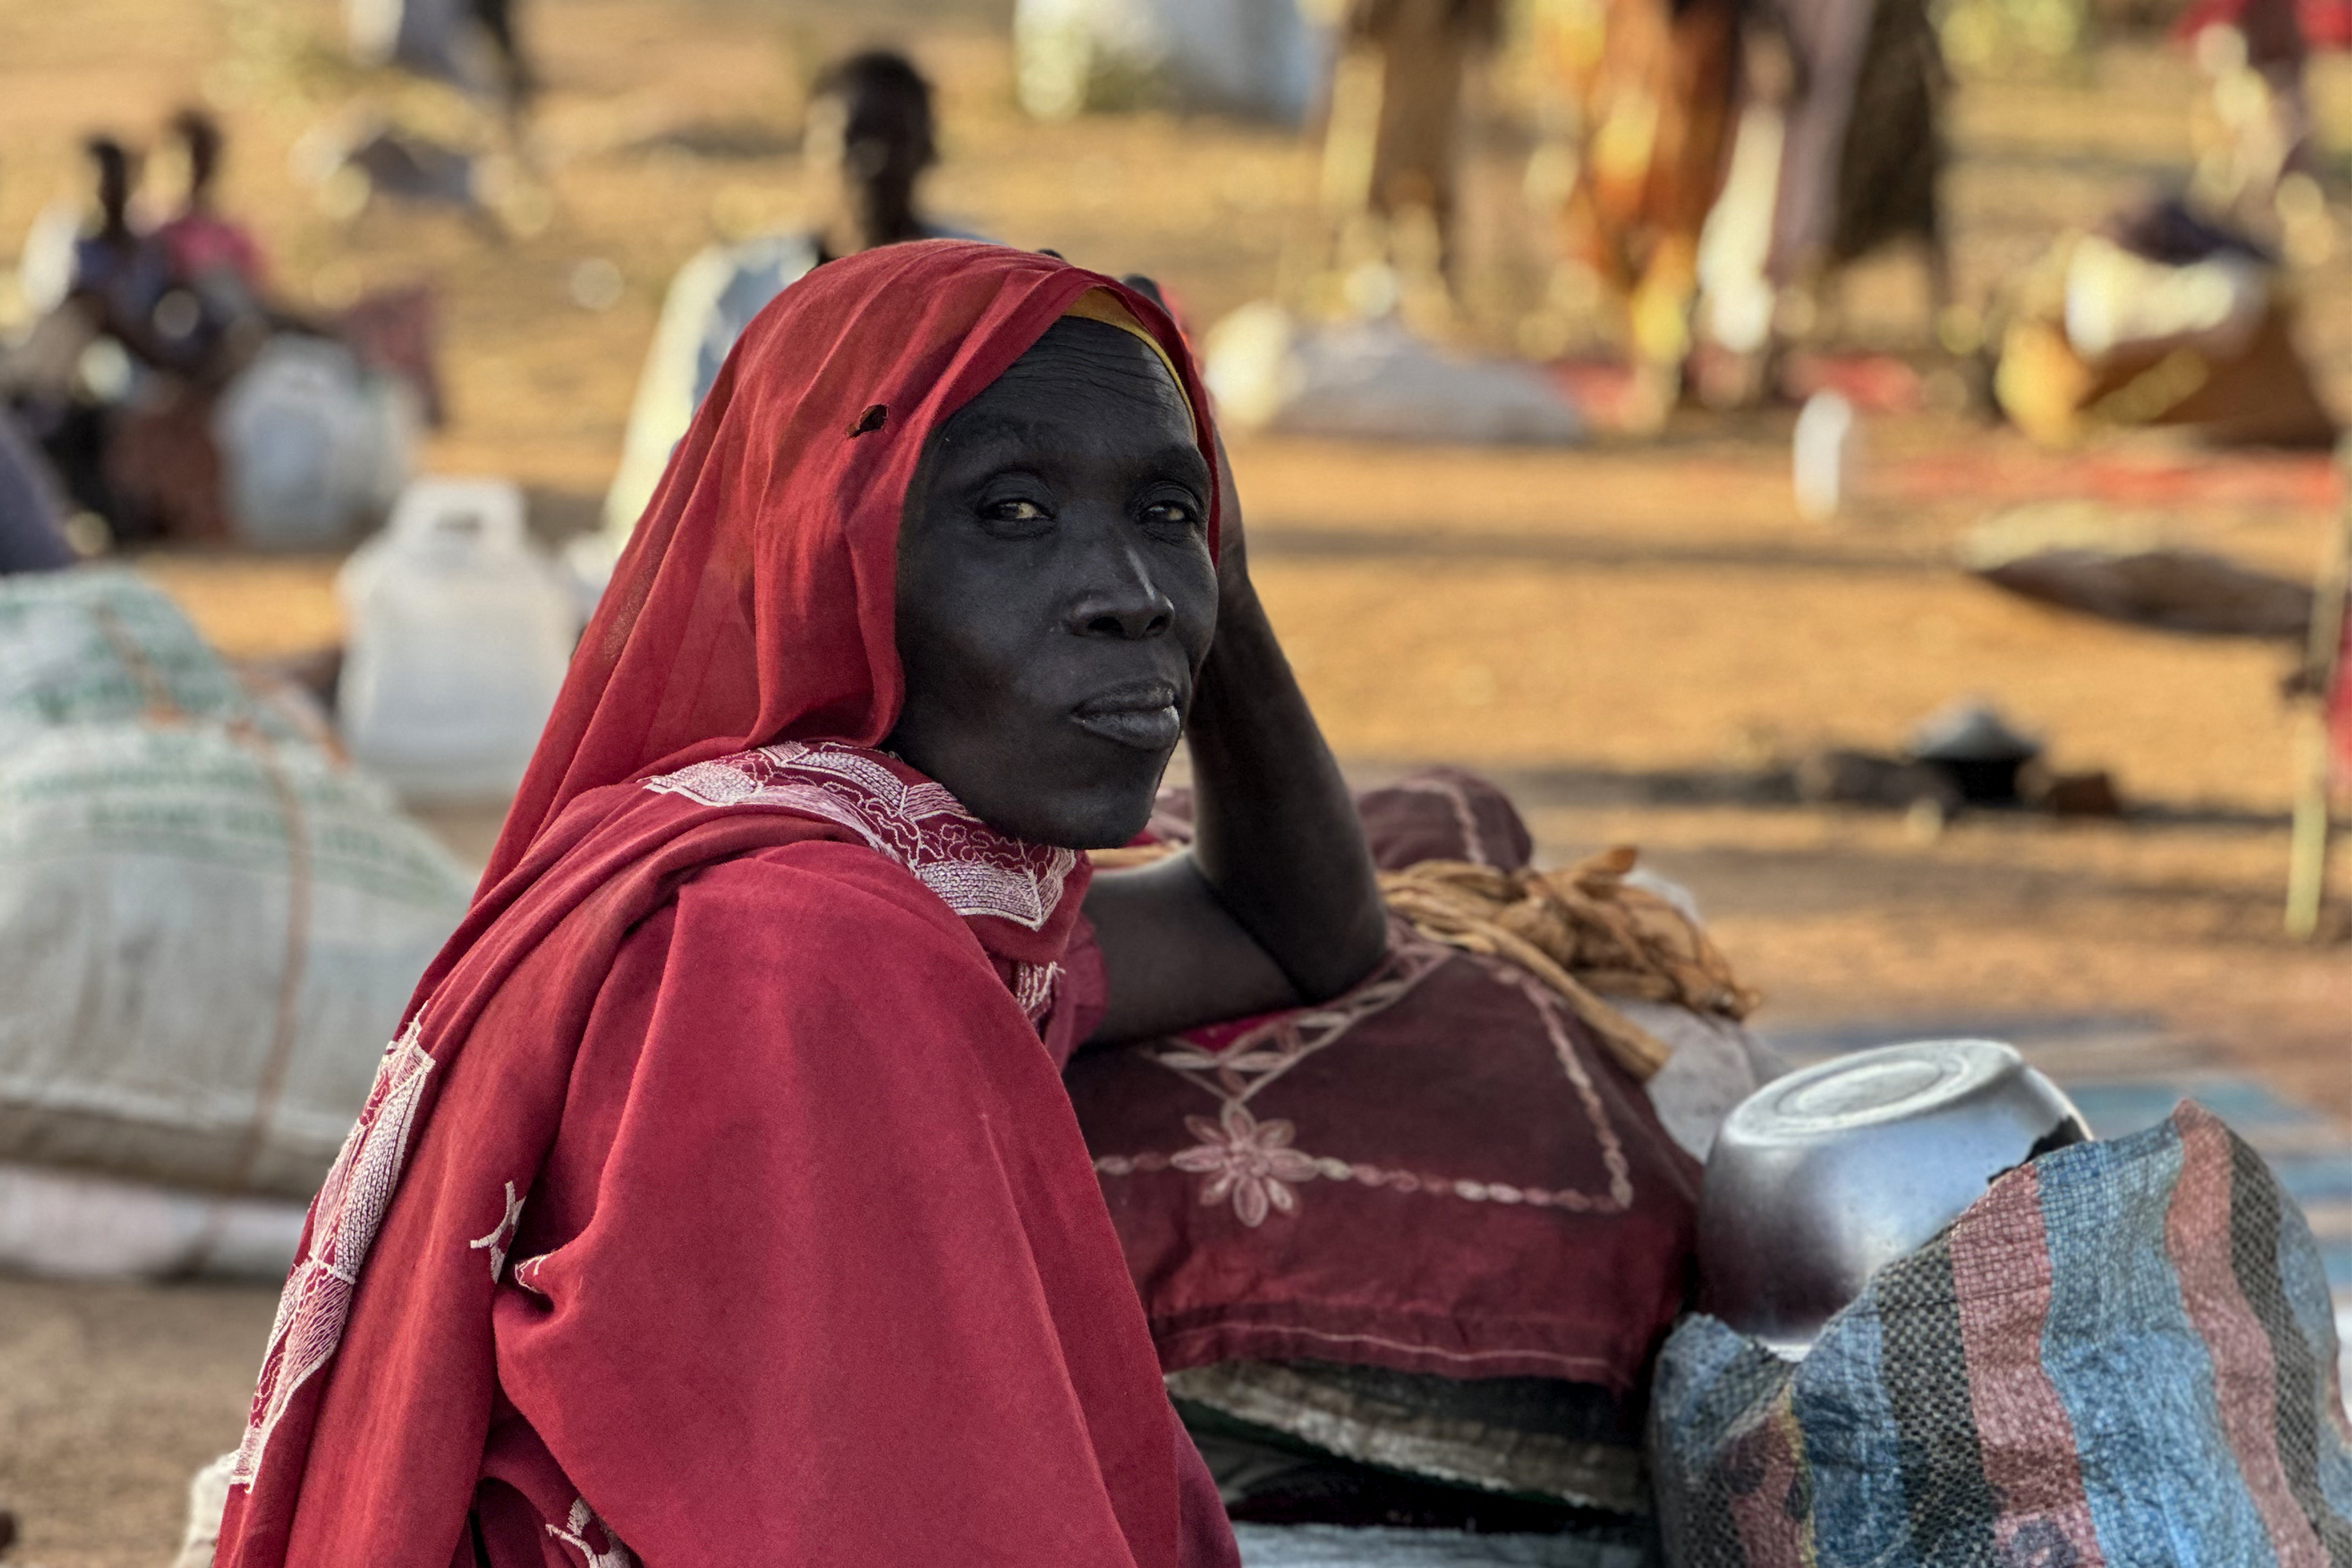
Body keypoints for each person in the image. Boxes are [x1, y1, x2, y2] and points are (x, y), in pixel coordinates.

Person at [213, 240, 1389, 1564]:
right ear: (834, 552)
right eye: (1013, 513)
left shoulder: (919, 874)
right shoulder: (804, 949)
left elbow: (1294, 926)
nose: (1131, 597)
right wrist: (1167, 519)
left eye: (1166, 520)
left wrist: (1206, 542)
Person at [600, 50, 980, 538]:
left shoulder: (980, 286)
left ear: (928, 151)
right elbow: (673, 466)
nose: (871, 163)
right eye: (851, 140)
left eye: (895, 138)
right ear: (811, 148)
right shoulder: (733, 288)